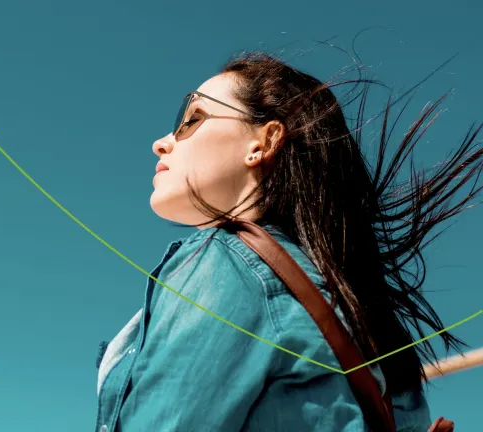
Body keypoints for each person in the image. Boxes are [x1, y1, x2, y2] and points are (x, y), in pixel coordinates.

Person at [94, 51, 482, 431]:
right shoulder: (361, 314)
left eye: (191, 120)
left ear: (263, 142)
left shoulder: (225, 263)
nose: (162, 142)